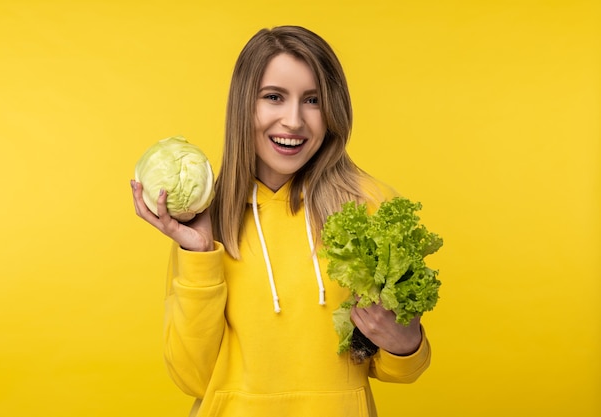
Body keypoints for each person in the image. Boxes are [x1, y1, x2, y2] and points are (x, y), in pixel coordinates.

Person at [131, 25, 430, 417]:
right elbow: (192, 377)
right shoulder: (209, 222)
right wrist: (200, 253)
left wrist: (405, 342)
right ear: (244, 107)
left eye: (312, 100)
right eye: (274, 97)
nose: (293, 121)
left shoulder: (371, 207)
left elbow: (399, 369)